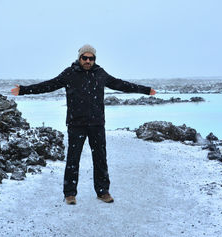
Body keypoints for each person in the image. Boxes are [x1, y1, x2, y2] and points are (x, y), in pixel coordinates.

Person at [11, 44, 156, 205]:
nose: (88, 61)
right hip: (76, 124)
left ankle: (103, 192)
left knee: (100, 159)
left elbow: (121, 85)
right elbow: (48, 85)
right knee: (73, 159)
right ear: (79, 58)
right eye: (85, 58)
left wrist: (146, 90)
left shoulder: (100, 74)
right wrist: (23, 90)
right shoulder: (70, 74)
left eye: (91, 58)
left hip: (97, 124)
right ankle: (70, 193)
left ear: (94, 59)